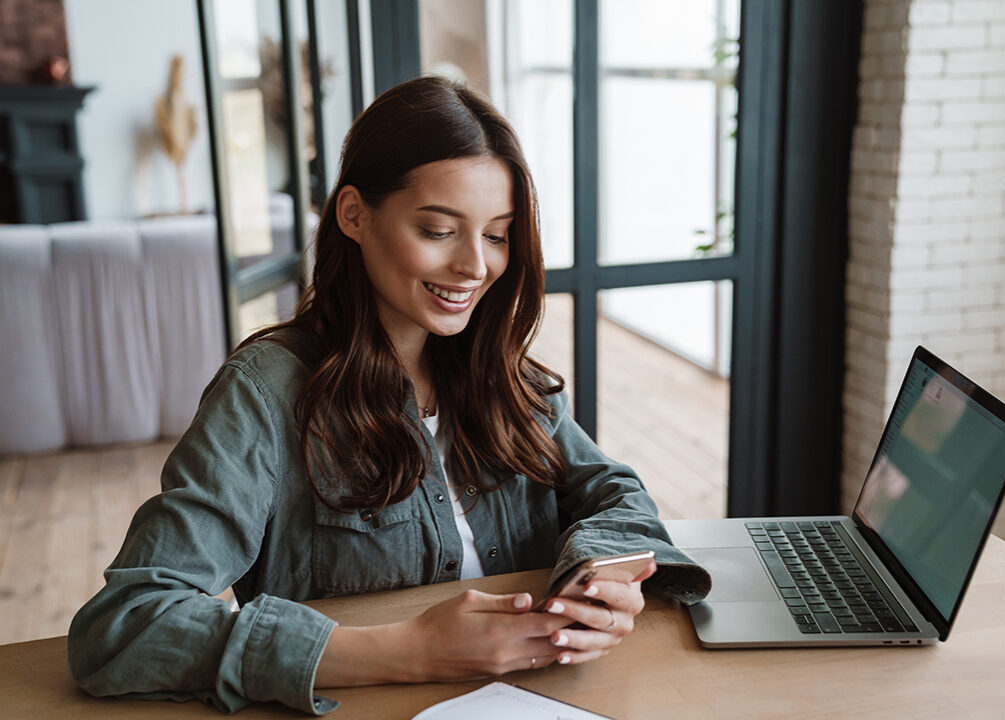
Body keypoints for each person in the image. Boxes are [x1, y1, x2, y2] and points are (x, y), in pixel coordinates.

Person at [67, 76, 710, 715]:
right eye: (438, 230)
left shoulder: (502, 375)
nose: (475, 266)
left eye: (496, 234)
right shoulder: (265, 393)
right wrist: (411, 650)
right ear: (353, 214)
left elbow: (617, 495)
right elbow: (124, 627)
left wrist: (597, 583)